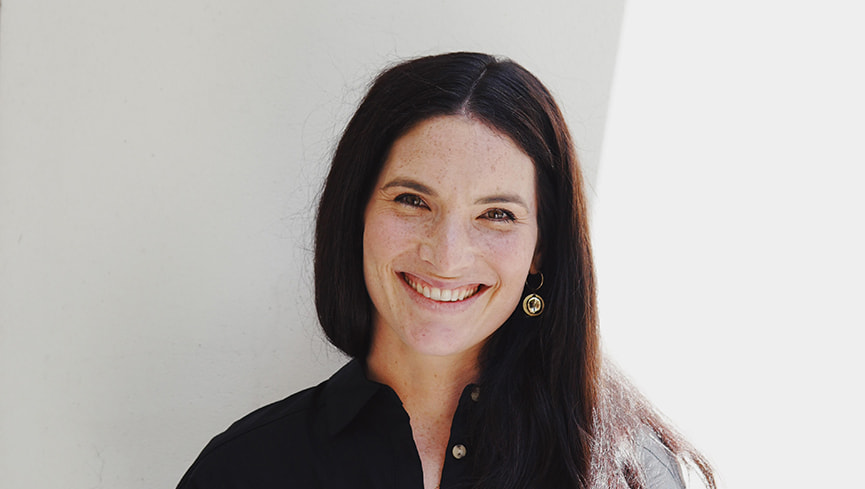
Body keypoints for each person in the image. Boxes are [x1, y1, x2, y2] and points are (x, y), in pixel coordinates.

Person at [176, 52, 716, 489]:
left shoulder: (625, 471)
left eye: (497, 214)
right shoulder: (247, 469)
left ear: (540, 252)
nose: (448, 254)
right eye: (413, 201)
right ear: (356, 214)